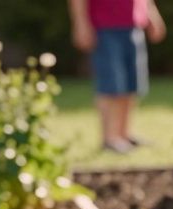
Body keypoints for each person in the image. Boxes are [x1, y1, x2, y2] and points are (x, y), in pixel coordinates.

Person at [68, 0, 166, 153]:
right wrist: (80, 23)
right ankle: (109, 138)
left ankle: (124, 134)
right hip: (104, 27)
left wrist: (152, 14)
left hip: (134, 26)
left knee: (131, 84)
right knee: (111, 84)